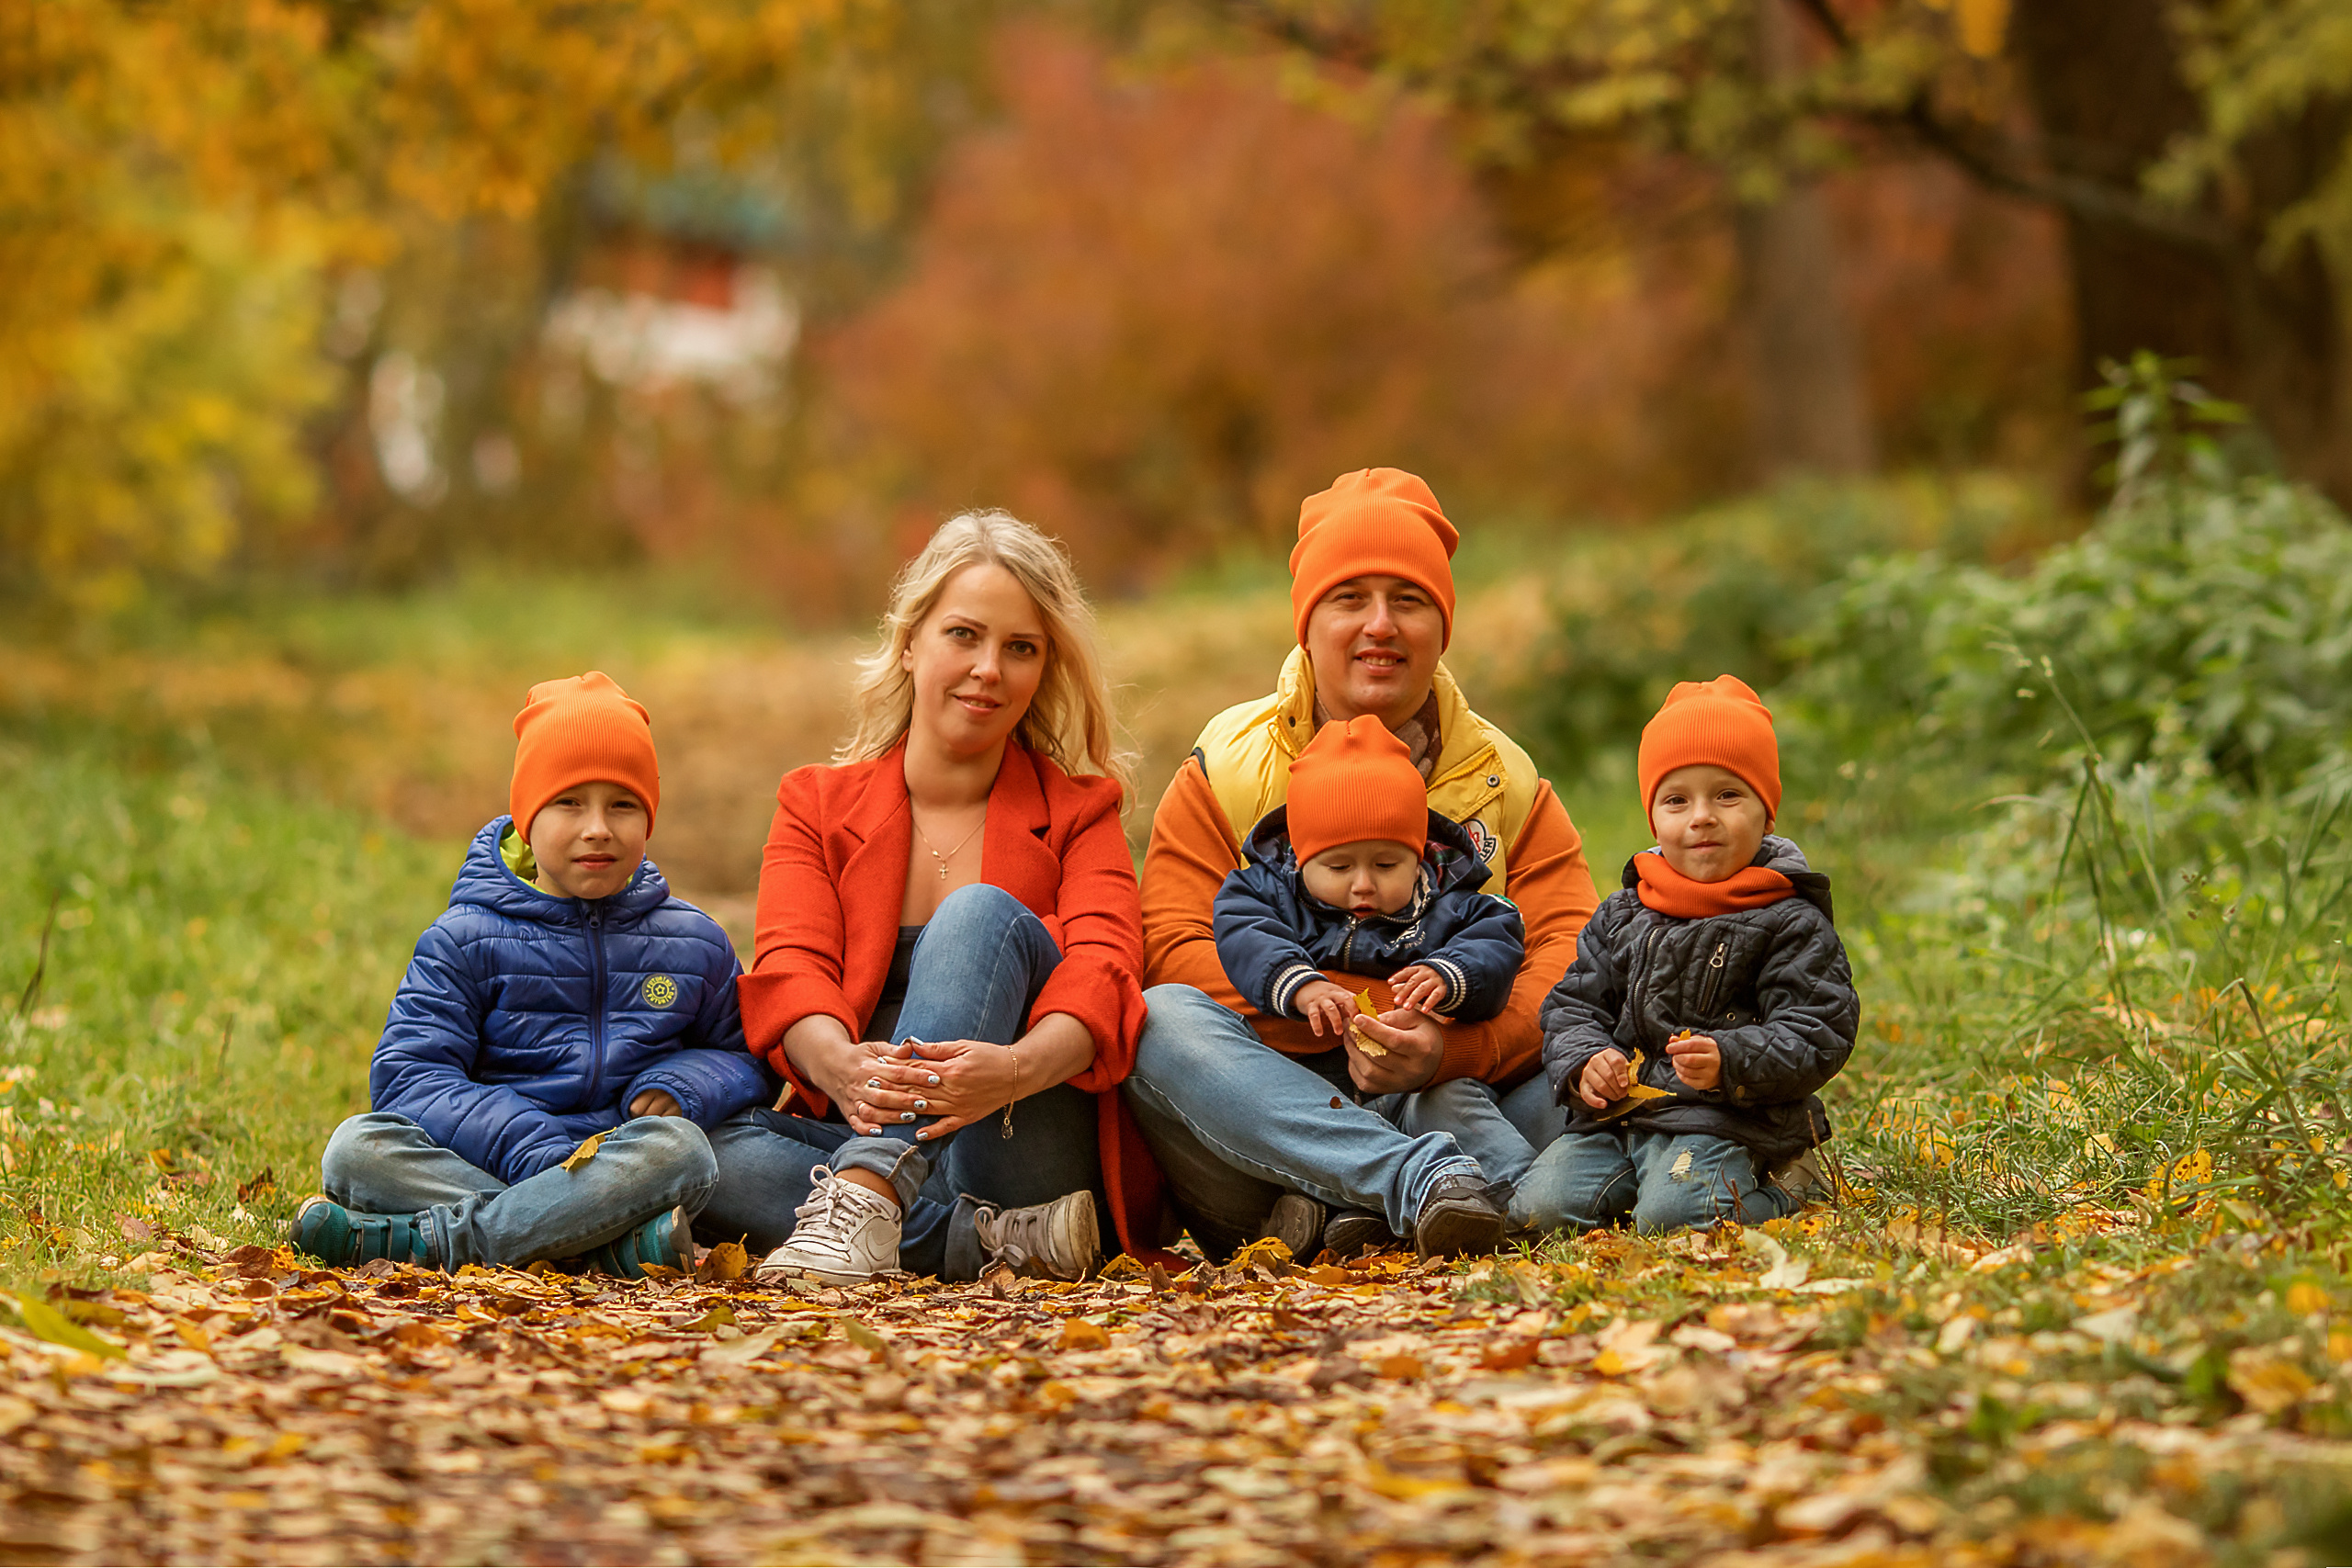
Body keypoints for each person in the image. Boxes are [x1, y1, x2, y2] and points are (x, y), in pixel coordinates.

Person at [1126, 468, 1601, 1261]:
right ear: (1307, 623)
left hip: (1455, 1094)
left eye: (1408, 600)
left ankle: (1375, 1207)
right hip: (1268, 1114)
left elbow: (1571, 953)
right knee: (1163, 1022)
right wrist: (1355, 1014)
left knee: (1618, 1050)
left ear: (1441, 626)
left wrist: (1450, 1050)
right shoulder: (1228, 765)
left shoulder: (1503, 778)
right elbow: (1173, 943)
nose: (1380, 625)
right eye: (1350, 598)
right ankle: (1409, 1182)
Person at [697, 511, 1150, 1285]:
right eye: (964, 635)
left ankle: (872, 1194)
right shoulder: (815, 803)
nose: (989, 669)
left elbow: (1107, 971)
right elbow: (790, 966)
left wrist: (1011, 1069)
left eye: (1021, 649)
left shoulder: (1080, 811)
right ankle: (985, 1241)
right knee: (707, 1155)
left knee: (975, 912)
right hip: (858, 1124)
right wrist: (839, 1066)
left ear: (1043, 669)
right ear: (911, 643)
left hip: (1019, 1130)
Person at [294, 672, 770, 1276]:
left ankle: (444, 1243)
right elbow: (410, 1075)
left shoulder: (692, 940)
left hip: (623, 1159)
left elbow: (746, 1055)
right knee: (357, 1150)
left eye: (622, 804)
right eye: (570, 802)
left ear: (648, 818)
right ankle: (602, 1244)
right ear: (526, 816)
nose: (597, 825)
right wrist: (530, 1147)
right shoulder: (465, 939)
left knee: (684, 1152)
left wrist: (686, 1084)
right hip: (492, 1156)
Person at [1516, 676, 1858, 1233]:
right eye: (1677, 800)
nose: (1701, 816)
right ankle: (1635, 1187)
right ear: (1655, 819)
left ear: (1766, 814)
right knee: (1537, 1211)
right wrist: (1584, 1063)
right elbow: (1573, 1006)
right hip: (1620, 1119)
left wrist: (1730, 1060)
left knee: (1677, 1220)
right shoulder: (1625, 911)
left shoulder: (1788, 919)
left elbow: (1819, 1028)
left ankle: (1793, 1189)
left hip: (1728, 1119)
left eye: (1727, 795)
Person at [1212, 716, 1524, 1037]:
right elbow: (1244, 930)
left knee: (1455, 1090)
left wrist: (1448, 975)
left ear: (1418, 861)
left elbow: (1496, 939)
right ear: (1300, 861)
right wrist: (1300, 985)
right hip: (1294, 1058)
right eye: (1339, 868)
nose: (1363, 885)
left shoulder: (1449, 905)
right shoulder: (1268, 892)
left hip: (1408, 1062)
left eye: (1386, 865)